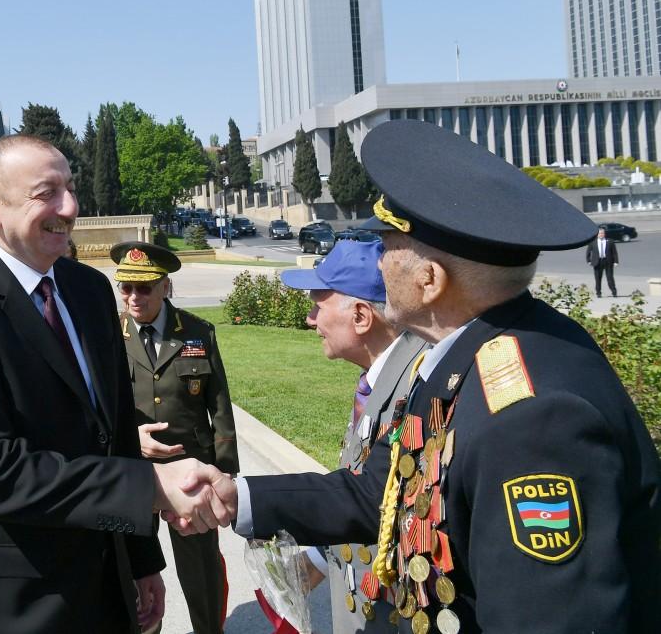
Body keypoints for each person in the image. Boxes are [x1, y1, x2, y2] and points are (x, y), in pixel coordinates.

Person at [171, 121, 661, 633]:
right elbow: (379, 489)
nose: (378, 266)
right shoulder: (462, 356)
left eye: (386, 248)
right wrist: (238, 496)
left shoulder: (533, 419)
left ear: (430, 280)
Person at [0, 135, 233, 634]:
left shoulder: (88, 289)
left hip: (105, 579)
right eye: (48, 192)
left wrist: (143, 558)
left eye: (72, 188)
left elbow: (118, 432)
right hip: (14, 597)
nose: (71, 207)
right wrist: (149, 487)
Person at [278, 240, 426, 632]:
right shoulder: (379, 382)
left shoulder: (414, 392)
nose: (311, 319)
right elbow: (373, 496)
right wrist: (320, 557)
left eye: (318, 305)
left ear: (361, 316)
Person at [111, 240, 238, 634]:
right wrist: (131, 440)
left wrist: (227, 473)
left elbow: (219, 405)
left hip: (192, 472)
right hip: (135, 472)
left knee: (201, 571)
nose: (133, 297)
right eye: (126, 287)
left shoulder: (197, 332)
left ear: (165, 286)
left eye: (144, 287)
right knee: (135, 574)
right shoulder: (109, 336)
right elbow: (100, 408)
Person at [586, 226, 619, 297]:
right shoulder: (593, 242)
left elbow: (614, 252)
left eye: (602, 233)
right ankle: (598, 293)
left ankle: (614, 292)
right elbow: (588, 252)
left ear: (604, 234)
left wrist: (616, 261)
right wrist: (588, 261)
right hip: (597, 262)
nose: (601, 234)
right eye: (600, 233)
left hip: (608, 262)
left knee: (610, 278)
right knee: (598, 279)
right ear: (597, 234)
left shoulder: (610, 241)